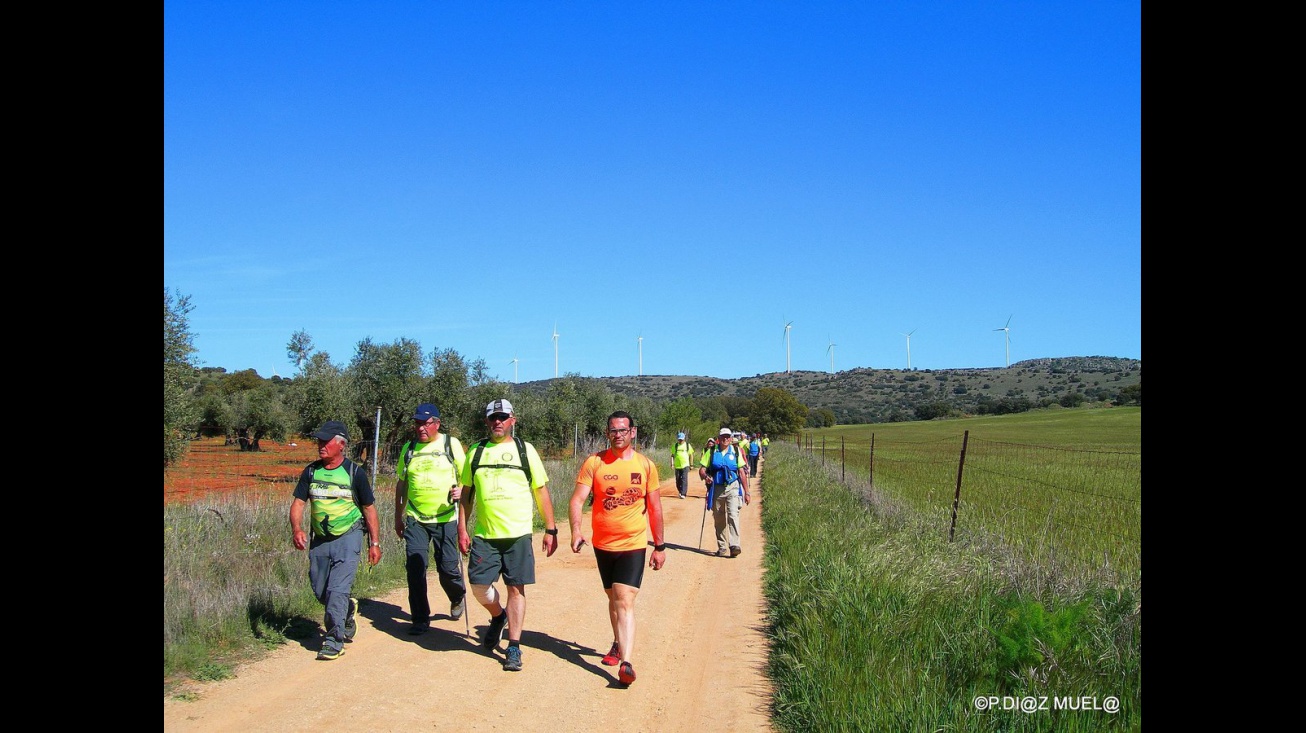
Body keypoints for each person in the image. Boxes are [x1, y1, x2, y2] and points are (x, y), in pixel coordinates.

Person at [458, 398, 559, 672]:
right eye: (493, 418)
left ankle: (514, 646)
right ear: (487, 421)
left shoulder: (525, 451)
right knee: (478, 585)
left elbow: (540, 489)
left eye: (502, 417)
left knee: (516, 588)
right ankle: (498, 616)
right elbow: (467, 493)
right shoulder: (476, 453)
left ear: (513, 420)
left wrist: (550, 528)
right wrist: (461, 527)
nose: (498, 422)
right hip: (484, 535)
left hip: (518, 534)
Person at [569, 410, 666, 687]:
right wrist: (576, 530)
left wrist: (659, 546)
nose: (618, 435)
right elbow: (577, 500)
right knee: (613, 599)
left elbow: (656, 508)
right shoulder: (595, 463)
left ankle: (627, 662)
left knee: (624, 599)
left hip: (634, 543)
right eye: (613, 430)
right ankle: (617, 642)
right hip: (603, 544)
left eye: (623, 430)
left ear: (633, 432)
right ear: (607, 432)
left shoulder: (646, 466)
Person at [289, 420, 382, 660]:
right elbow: (299, 503)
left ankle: (334, 640)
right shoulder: (311, 471)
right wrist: (296, 529)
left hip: (349, 536)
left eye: (326, 441)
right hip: (319, 539)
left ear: (341, 445)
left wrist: (374, 543)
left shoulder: (354, 473)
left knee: (337, 590)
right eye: (319, 441)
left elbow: (369, 509)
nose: (320, 445)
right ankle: (347, 611)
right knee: (321, 591)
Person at [394, 402, 467, 635]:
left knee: (447, 567)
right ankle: (420, 618)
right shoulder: (409, 448)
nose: (421, 428)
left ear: (437, 423)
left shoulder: (450, 444)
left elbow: (466, 476)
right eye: (417, 423)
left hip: (446, 517)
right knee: (415, 567)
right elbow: (401, 484)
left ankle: (457, 596)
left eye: (425, 424)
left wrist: (461, 490)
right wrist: (398, 515)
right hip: (416, 517)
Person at [698, 427, 750, 558]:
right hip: (717, 488)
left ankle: (734, 545)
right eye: (723, 437)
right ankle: (722, 547)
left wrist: (747, 492)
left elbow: (741, 472)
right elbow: (702, 469)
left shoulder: (736, 451)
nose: (725, 439)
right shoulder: (711, 451)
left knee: (733, 515)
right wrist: (706, 477)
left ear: (731, 438)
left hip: (733, 487)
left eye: (728, 437)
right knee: (719, 518)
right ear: (718, 439)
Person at [670, 431, 695, 499]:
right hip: (677, 466)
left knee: (684, 479)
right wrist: (672, 464)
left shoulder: (687, 445)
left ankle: (683, 493)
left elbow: (691, 455)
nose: (680, 440)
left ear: (684, 439)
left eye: (682, 439)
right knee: (678, 480)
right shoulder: (675, 446)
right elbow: (672, 455)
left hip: (685, 465)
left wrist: (691, 464)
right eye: (679, 439)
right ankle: (680, 491)